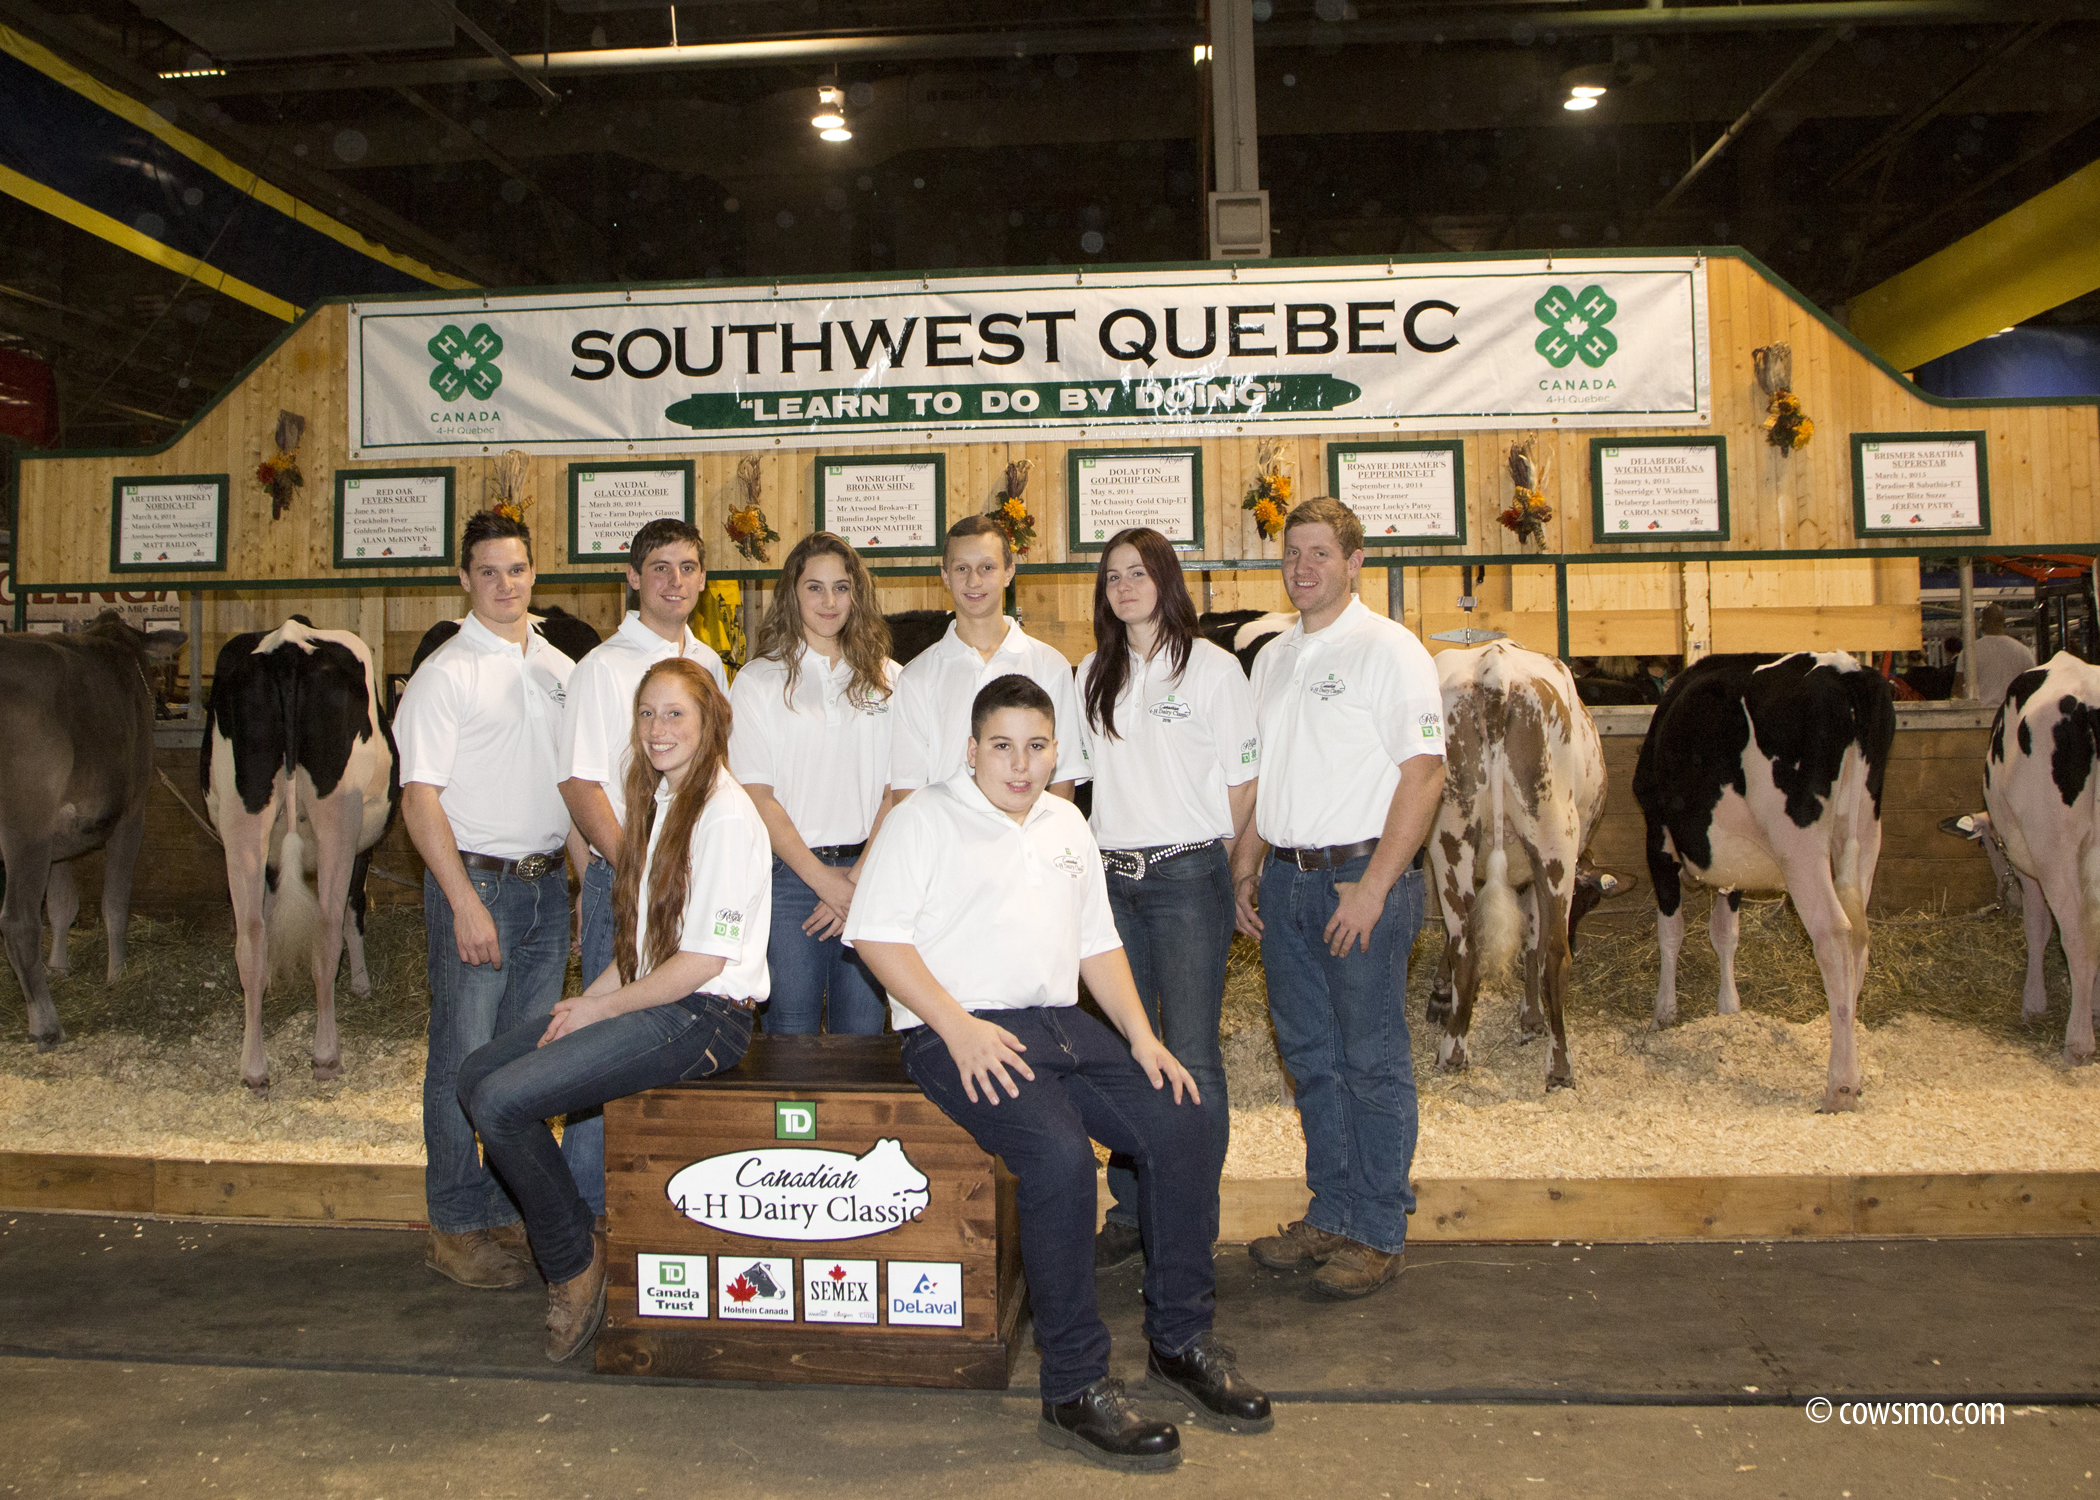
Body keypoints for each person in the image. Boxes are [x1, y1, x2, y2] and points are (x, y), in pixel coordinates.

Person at [846, 675, 1271, 1474]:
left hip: (1059, 1024)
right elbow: (877, 938)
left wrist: (1145, 1039)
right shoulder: (924, 819)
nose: (1020, 763)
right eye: (1001, 746)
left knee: (1183, 1120)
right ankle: (1073, 1387)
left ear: (1056, 751)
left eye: (1037, 746)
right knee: (1061, 1159)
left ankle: (1180, 1341)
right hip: (960, 1030)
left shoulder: (1067, 823)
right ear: (970, 750)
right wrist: (955, 1025)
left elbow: (1095, 944)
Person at [459, 657, 770, 1361]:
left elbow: (699, 964)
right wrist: (587, 999)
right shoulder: (662, 801)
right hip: (655, 996)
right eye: (647, 714)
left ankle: (571, 1259)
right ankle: (573, 1230)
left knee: (506, 1103)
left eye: (675, 714)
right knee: (477, 1075)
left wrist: (603, 1014)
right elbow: (643, 948)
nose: (658, 729)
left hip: (705, 1016)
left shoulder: (724, 814)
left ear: (711, 721)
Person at [1229, 497, 1446, 1301]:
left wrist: (1376, 888)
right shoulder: (1275, 656)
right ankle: (1333, 1208)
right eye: (1293, 553)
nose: (1303, 567)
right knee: (1312, 1059)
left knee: (1371, 1057)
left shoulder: (1390, 651)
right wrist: (1245, 869)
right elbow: (1268, 776)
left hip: (1358, 880)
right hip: (1287, 878)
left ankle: (1378, 1228)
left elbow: (1424, 775)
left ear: (1355, 563)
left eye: (1320, 553)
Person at [397, 507, 583, 1289]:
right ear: (464, 580)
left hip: (545, 890)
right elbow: (419, 798)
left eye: (516, 569)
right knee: (462, 1063)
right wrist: (462, 902)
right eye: (487, 572)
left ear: (534, 573)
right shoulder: (447, 673)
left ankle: (504, 1206)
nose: (504, 584)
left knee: (523, 1069)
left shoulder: (560, 669)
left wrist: (581, 891)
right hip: (479, 884)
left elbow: (576, 790)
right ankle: (456, 1224)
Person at [1076, 527, 1257, 1270]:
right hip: (1112, 880)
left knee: (1190, 1052)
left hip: (1187, 878)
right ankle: (1131, 1210)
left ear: (1166, 580)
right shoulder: (1091, 672)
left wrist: (1223, 866)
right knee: (1126, 1052)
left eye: (1138, 573)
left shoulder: (1213, 670)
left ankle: (1188, 1222)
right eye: (1113, 576)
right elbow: (1075, 785)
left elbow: (1244, 782)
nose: (1124, 586)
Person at [557, 518, 728, 1215]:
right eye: (659, 568)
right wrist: (641, 873)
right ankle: (585, 1222)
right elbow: (579, 785)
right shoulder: (603, 668)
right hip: (629, 883)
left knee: (665, 1046)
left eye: (687, 567)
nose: (674, 582)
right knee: (603, 1051)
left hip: (692, 885)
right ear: (631, 578)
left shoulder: (711, 665)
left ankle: (651, 1211)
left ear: (704, 579)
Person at [729, 532, 899, 1034]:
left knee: (864, 1030)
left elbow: (899, 791)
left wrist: (857, 880)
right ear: (792, 594)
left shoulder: (890, 679)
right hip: (788, 881)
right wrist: (825, 881)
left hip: (870, 875)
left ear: (857, 595)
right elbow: (757, 796)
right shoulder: (758, 681)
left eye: (842, 588)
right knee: (790, 1029)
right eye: (815, 588)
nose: (829, 602)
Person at [891, 514, 1088, 801]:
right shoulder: (916, 676)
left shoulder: (1050, 665)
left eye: (987, 567)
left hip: (1026, 842)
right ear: (944, 575)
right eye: (962, 568)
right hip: (946, 842)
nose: (974, 580)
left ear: (1008, 572)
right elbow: (906, 791)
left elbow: (1063, 780)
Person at [1971, 602, 2036, 707]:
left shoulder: (1970, 651)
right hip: (2012, 713)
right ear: (2003, 621)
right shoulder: (2023, 651)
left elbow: (1958, 689)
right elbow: (2033, 685)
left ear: (1983, 621)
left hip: (1980, 715)